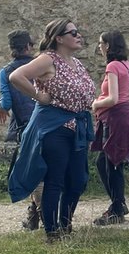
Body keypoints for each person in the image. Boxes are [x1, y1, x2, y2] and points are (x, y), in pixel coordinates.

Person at [8, 19, 96, 241]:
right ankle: (52, 231)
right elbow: (16, 76)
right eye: (73, 32)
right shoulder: (48, 59)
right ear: (59, 38)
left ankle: (66, 224)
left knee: (77, 180)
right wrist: (38, 96)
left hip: (77, 127)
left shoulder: (75, 62)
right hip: (55, 127)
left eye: (78, 31)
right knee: (55, 180)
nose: (78, 35)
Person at [90, 30, 129, 225]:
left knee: (110, 164)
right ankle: (118, 204)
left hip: (116, 119)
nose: (99, 47)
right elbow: (125, 96)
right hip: (125, 117)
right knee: (110, 163)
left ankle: (117, 208)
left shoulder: (112, 66)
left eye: (101, 43)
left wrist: (95, 104)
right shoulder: (126, 65)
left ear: (109, 46)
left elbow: (112, 98)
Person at [0, 29, 43, 230]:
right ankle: (36, 216)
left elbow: (7, 102)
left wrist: (0, 104)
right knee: (45, 171)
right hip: (47, 122)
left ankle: (42, 216)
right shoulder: (40, 66)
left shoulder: (5, 72)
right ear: (28, 47)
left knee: (32, 172)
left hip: (25, 128)